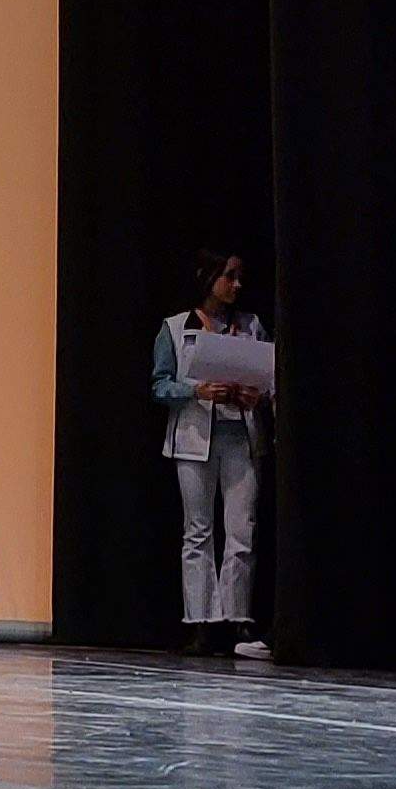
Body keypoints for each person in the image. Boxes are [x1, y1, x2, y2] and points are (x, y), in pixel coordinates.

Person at [152, 251, 272, 658]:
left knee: (242, 529)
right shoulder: (175, 327)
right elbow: (160, 385)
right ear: (209, 279)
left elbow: (271, 379)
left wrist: (259, 395)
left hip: (241, 436)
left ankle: (237, 617)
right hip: (193, 438)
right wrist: (196, 391)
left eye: (240, 277)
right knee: (197, 531)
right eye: (229, 276)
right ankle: (201, 621)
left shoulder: (251, 326)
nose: (237, 285)